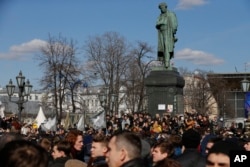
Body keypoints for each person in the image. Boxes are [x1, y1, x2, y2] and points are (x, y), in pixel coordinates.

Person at [156, 2, 178, 68]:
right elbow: (156, 23)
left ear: (165, 7)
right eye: (160, 8)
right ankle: (164, 61)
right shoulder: (160, 16)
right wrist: (159, 24)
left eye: (162, 8)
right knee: (162, 47)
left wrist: (173, 31)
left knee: (167, 46)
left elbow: (175, 23)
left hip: (168, 31)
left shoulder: (171, 14)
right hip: (161, 32)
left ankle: (167, 62)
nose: (161, 9)